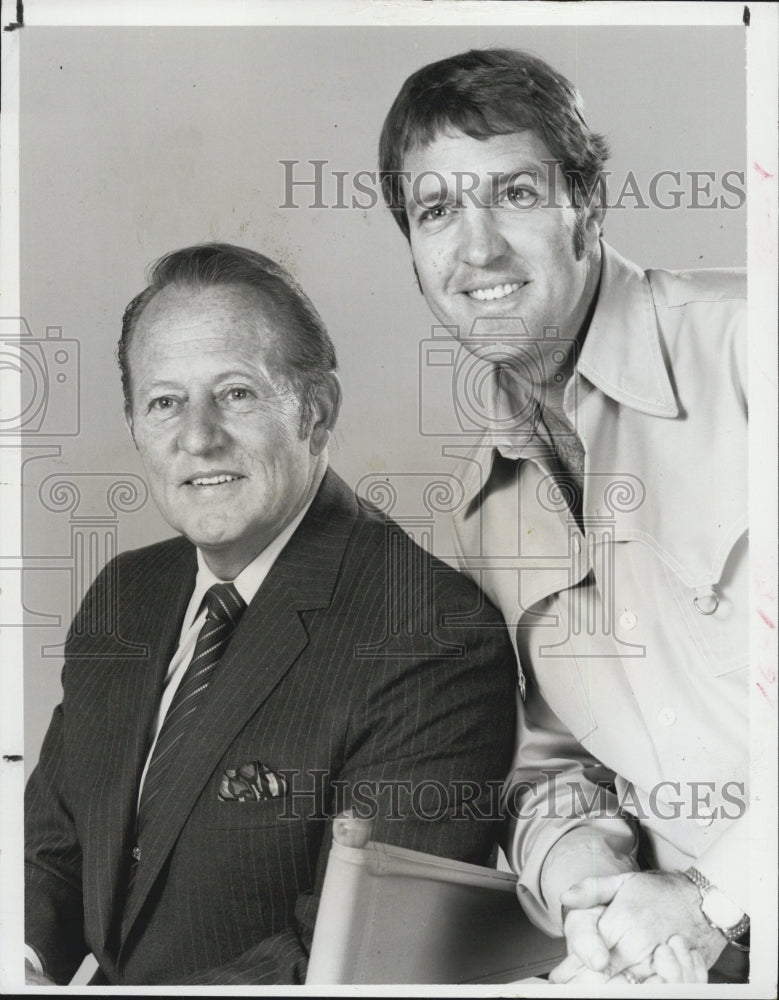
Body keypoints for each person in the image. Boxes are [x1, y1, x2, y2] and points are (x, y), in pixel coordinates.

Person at [24, 242, 518, 986]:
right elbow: (52, 852)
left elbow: (349, 961)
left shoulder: (429, 634)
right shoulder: (127, 595)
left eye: (235, 393)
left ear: (316, 412)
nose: (197, 437)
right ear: (134, 425)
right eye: (164, 402)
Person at [379, 48, 748, 985]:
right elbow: (545, 765)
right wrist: (584, 875)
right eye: (437, 211)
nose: (478, 249)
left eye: (512, 194)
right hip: (679, 962)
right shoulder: (478, 515)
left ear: (587, 201)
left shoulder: (752, 351)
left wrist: (717, 896)